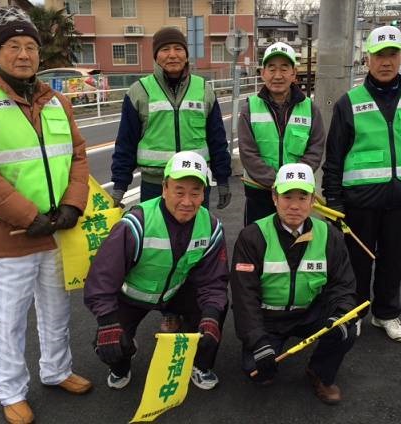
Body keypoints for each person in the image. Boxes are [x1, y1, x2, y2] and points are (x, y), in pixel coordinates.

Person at [0, 6, 92, 424]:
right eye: (13, 46)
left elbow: (79, 157)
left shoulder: (58, 102)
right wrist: (27, 215)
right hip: (7, 233)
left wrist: (72, 204)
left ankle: (56, 370)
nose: (24, 54)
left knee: (57, 309)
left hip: (57, 229)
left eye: (30, 46)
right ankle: (10, 390)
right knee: (8, 319)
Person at [321, 26, 401, 342]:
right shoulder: (350, 102)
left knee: (393, 260)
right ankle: (355, 313)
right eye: (379, 55)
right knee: (356, 262)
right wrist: (333, 200)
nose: (386, 62)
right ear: (367, 58)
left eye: (392, 55)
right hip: (359, 200)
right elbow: (335, 157)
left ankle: (387, 314)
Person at [85, 151, 229, 391]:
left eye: (195, 192)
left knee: (215, 312)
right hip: (132, 297)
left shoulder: (212, 227)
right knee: (108, 346)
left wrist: (211, 315)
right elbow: (102, 277)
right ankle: (125, 354)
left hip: (175, 292)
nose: (187, 201)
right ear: (164, 188)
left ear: (204, 193)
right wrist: (107, 320)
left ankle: (201, 365)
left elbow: (213, 281)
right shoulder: (136, 223)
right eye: (179, 191)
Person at [230, 163, 357, 405]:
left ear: (313, 200)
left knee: (347, 328)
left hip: (310, 312)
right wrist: (257, 341)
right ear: (274, 197)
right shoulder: (252, 236)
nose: (295, 206)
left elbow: (343, 285)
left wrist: (339, 315)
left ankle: (320, 372)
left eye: (302, 197)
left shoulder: (330, 235)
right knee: (257, 371)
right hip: (268, 317)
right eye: (287, 196)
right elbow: (244, 296)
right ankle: (266, 347)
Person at [110, 26, 232, 210]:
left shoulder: (203, 89)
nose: (172, 55)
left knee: (196, 236)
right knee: (156, 237)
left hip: (196, 182)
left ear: (186, 54)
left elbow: (217, 139)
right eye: (165, 49)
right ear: (156, 55)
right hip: (154, 185)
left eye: (178, 48)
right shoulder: (139, 91)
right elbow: (126, 142)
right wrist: (120, 187)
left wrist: (222, 179)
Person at [238, 41, 325, 226]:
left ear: (294, 73)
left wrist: (291, 182)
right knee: (258, 246)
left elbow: (315, 150)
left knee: (295, 246)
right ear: (263, 73)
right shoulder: (250, 109)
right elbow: (248, 153)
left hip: (296, 194)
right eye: (272, 68)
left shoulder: (310, 109)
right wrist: (276, 181)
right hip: (259, 193)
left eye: (284, 68)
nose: (278, 75)